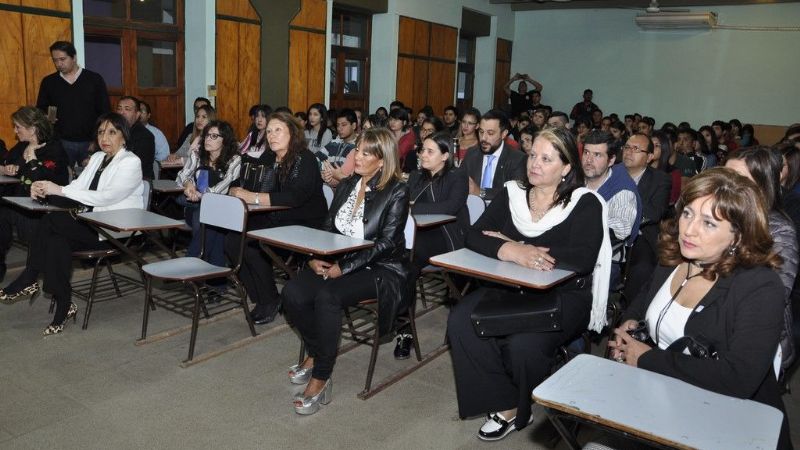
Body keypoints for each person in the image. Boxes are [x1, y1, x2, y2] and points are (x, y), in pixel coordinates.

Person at [609, 168, 792, 449]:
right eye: (687, 214)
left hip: (730, 420)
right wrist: (631, 319)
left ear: (738, 237)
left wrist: (646, 359)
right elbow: (645, 295)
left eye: (708, 223)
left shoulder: (759, 286)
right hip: (662, 398)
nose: (689, 229)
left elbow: (738, 378)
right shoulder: (675, 256)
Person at [448, 127, 610, 441]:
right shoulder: (512, 194)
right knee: (460, 321)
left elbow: (582, 258)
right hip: (509, 287)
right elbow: (473, 235)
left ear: (565, 168)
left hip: (562, 297)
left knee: (523, 345)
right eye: (532, 155)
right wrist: (509, 250)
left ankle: (517, 408)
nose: (534, 163)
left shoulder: (585, 203)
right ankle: (506, 401)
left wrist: (517, 243)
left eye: (546, 158)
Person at [281, 128, 412, 415]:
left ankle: (321, 376)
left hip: (381, 267)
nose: (357, 157)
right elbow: (328, 228)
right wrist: (315, 257)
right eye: (358, 150)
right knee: (293, 293)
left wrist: (345, 267)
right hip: (340, 259)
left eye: (366, 153)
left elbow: (388, 243)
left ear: (382, 160)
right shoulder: (347, 184)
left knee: (327, 297)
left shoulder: (397, 190)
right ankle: (317, 352)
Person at [0, 112, 143, 334]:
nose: (105, 137)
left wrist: (58, 189)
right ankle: (64, 306)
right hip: (88, 223)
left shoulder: (131, 162)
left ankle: (30, 276)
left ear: (124, 137)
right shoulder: (97, 158)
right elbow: (78, 186)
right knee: (56, 242)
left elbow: (107, 197)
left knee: (52, 220)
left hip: (112, 231)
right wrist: (46, 187)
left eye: (112, 132)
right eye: (101, 132)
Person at [226, 112, 327, 325]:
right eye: (269, 131)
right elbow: (250, 176)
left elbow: (294, 197)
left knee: (254, 246)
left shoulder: (304, 158)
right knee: (232, 242)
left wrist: (251, 196)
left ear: (292, 132)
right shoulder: (270, 157)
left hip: (305, 223)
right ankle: (262, 298)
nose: (272, 136)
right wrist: (237, 186)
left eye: (278, 130)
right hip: (276, 218)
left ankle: (270, 299)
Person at [725, 147, 797, 372]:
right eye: (725, 175)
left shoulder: (780, 232)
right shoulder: (717, 214)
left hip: (752, 334)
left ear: (762, 185)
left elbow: (774, 295)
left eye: (739, 179)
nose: (726, 185)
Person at [398, 131, 469, 357]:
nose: (423, 155)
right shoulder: (417, 176)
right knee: (400, 260)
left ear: (445, 156)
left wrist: (411, 208)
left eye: (430, 151)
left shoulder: (457, 176)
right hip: (417, 234)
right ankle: (403, 326)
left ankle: (402, 325)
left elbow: (450, 207)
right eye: (422, 150)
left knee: (408, 260)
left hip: (446, 237)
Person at [0, 107, 69, 281]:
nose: (15, 131)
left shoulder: (53, 147)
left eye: (18, 127)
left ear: (32, 129)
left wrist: (31, 158)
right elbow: (8, 162)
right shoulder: (22, 145)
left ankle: (33, 273)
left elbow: (44, 178)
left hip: (43, 204)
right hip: (18, 199)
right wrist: (9, 168)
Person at [36, 41, 111, 169]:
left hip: (90, 142)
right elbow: (40, 110)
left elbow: (105, 112)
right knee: (62, 180)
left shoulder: (94, 79)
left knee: (93, 179)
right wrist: (48, 118)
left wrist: (97, 140)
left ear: (74, 57)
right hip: (61, 142)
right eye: (55, 60)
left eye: (62, 59)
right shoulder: (49, 82)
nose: (59, 64)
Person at [175, 121, 241, 266]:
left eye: (214, 136)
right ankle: (215, 278)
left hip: (223, 208)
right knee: (210, 224)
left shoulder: (234, 159)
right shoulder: (197, 154)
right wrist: (189, 185)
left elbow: (224, 186)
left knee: (209, 222)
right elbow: (181, 175)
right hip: (194, 205)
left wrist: (201, 195)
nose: (207, 140)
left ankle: (191, 265)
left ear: (225, 140)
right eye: (206, 136)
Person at [463, 109, 526, 201]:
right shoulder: (471, 154)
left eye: (490, 133)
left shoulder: (518, 159)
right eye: (481, 132)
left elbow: (514, 193)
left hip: (502, 212)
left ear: (503, 134)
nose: (483, 138)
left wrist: (481, 192)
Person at [116, 96, 155, 180]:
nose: (122, 112)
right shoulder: (113, 132)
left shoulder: (145, 136)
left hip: (137, 181)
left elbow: (136, 167)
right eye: (119, 109)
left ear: (137, 114)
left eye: (127, 109)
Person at [320, 109, 359, 188]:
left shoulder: (358, 147)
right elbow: (316, 158)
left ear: (354, 126)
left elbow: (348, 176)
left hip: (345, 189)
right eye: (338, 125)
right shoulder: (334, 143)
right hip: (328, 185)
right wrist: (322, 172)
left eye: (344, 125)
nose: (339, 128)